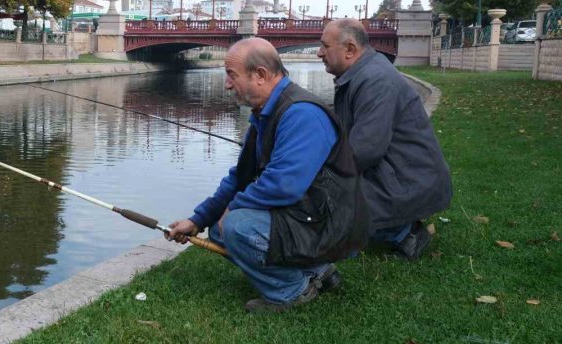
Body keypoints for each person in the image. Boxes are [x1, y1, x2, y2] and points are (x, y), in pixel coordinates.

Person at [167, 38, 368, 313]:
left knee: (237, 226)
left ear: (260, 75)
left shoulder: (302, 114)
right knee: (218, 228)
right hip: (310, 214)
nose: (227, 84)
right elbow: (241, 177)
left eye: (231, 75)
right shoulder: (267, 112)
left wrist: (232, 210)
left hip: (332, 224)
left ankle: (291, 290)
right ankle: (316, 270)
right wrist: (198, 219)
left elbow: (283, 185)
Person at [317, 19, 452, 260]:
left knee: (323, 202)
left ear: (349, 49)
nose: (319, 53)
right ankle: (387, 228)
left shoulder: (375, 80)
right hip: (402, 175)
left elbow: (364, 150)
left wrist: (318, 171)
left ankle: (405, 233)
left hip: (409, 181)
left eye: (325, 46)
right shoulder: (363, 74)